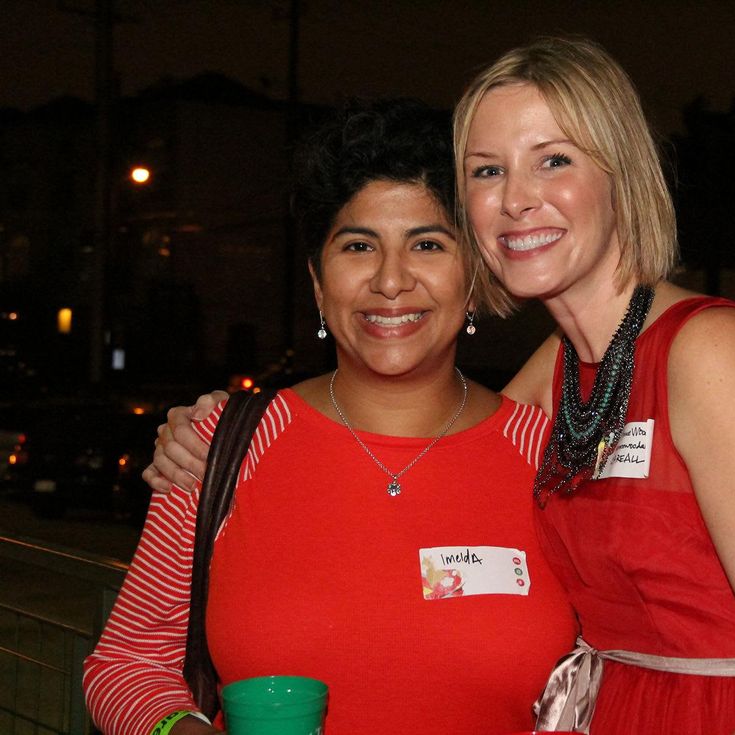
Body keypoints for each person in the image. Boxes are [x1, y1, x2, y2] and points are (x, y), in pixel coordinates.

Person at [150, 38, 735, 735]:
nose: (516, 199)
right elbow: (439, 419)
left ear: (622, 176)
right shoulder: (565, 373)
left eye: (553, 160)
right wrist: (209, 427)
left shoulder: (712, 352)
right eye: (487, 170)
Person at [84, 99, 577, 735]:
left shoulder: (550, 459)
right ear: (320, 283)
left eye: (428, 244)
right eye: (358, 245)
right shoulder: (224, 442)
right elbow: (127, 660)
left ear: (475, 277)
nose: (391, 280)